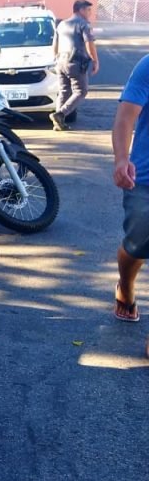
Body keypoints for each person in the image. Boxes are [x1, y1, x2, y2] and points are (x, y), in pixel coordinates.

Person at [112, 54, 149, 328]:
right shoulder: (147, 66)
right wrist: (121, 159)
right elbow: (126, 118)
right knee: (136, 245)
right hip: (145, 177)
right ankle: (125, 284)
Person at [51, 0, 99, 131]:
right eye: (88, 10)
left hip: (61, 61)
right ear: (81, 10)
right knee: (81, 91)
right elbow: (89, 43)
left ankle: (58, 123)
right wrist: (95, 61)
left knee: (64, 91)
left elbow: (55, 45)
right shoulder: (84, 24)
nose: (90, 13)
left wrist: (56, 59)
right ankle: (60, 114)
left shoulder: (61, 24)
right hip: (75, 62)